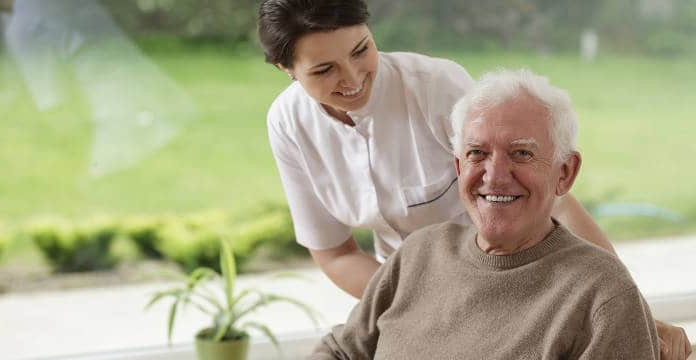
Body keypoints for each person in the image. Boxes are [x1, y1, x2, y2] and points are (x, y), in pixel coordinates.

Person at [257, 0, 691, 357]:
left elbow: (544, 190)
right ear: (287, 70)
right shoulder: (288, 124)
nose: (352, 78)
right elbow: (335, 253)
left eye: (360, 51)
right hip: (413, 282)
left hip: (522, 275)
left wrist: (628, 311)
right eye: (323, 70)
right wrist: (420, 305)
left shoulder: (433, 86)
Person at [309, 68, 661, 359]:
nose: (494, 175)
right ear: (459, 167)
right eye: (477, 152)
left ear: (564, 172)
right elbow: (342, 351)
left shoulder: (600, 295)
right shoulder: (420, 253)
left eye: (521, 153)